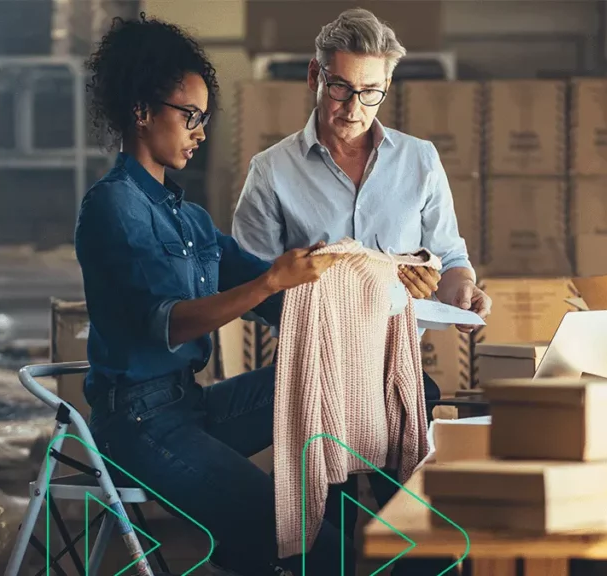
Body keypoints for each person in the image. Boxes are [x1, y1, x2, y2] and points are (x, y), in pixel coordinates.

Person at [76, 14, 355, 576]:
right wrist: (270, 281)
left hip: (191, 405)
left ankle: (255, 543)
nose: (201, 132)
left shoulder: (190, 218)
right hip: (138, 426)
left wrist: (352, 281)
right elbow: (171, 323)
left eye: (205, 119)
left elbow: (275, 292)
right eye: (191, 117)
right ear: (141, 111)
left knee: (343, 386)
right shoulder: (113, 207)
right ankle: (269, 542)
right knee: (313, 547)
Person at [231, 8, 492, 574]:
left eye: (370, 92)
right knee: (328, 543)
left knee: (422, 532)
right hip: (313, 381)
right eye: (340, 88)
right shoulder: (271, 171)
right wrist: (328, 288)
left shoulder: (419, 160)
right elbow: (247, 287)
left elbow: (449, 258)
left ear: (388, 88)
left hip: (396, 374)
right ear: (314, 77)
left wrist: (460, 289)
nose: (353, 108)